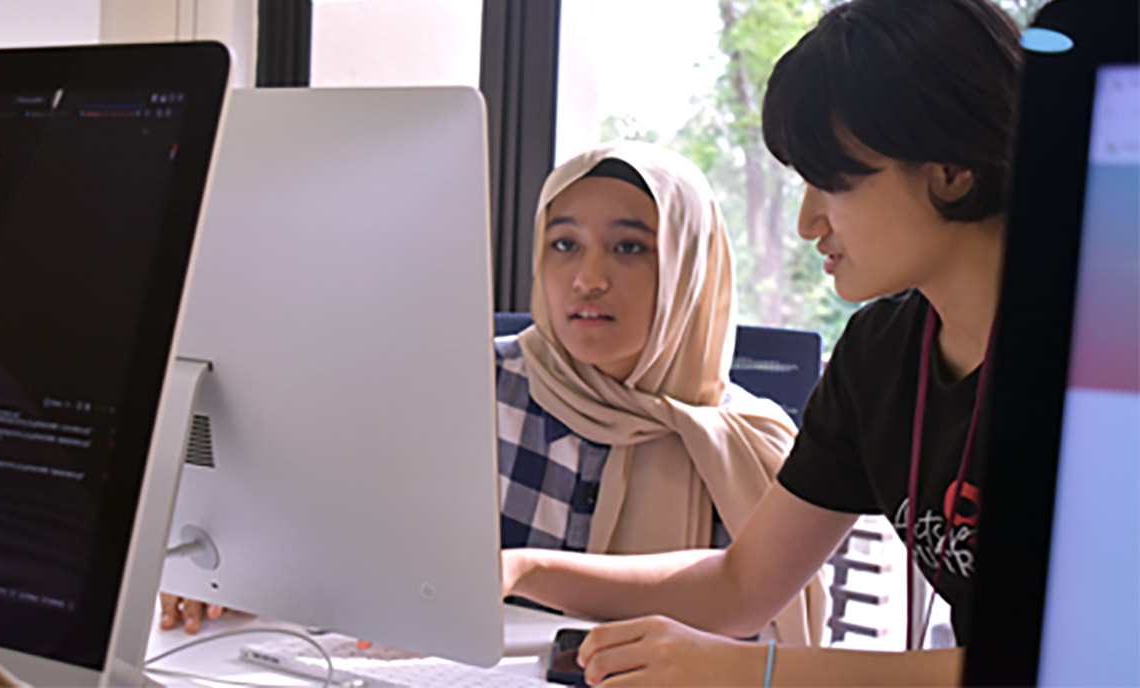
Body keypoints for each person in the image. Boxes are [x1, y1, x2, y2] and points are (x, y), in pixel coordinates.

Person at [500, 0, 1022, 685]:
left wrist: (761, 671)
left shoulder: (1101, 369)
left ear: (953, 170)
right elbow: (742, 583)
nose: (808, 222)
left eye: (833, 183)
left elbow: (1088, 664)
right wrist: (524, 566)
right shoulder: (881, 353)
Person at [160, 141, 826, 645]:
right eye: (564, 244)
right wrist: (255, 585)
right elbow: (358, 542)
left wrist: (524, 569)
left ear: (691, 269)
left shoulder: (755, 447)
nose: (587, 278)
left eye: (629, 249)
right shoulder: (465, 388)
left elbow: (760, 635)